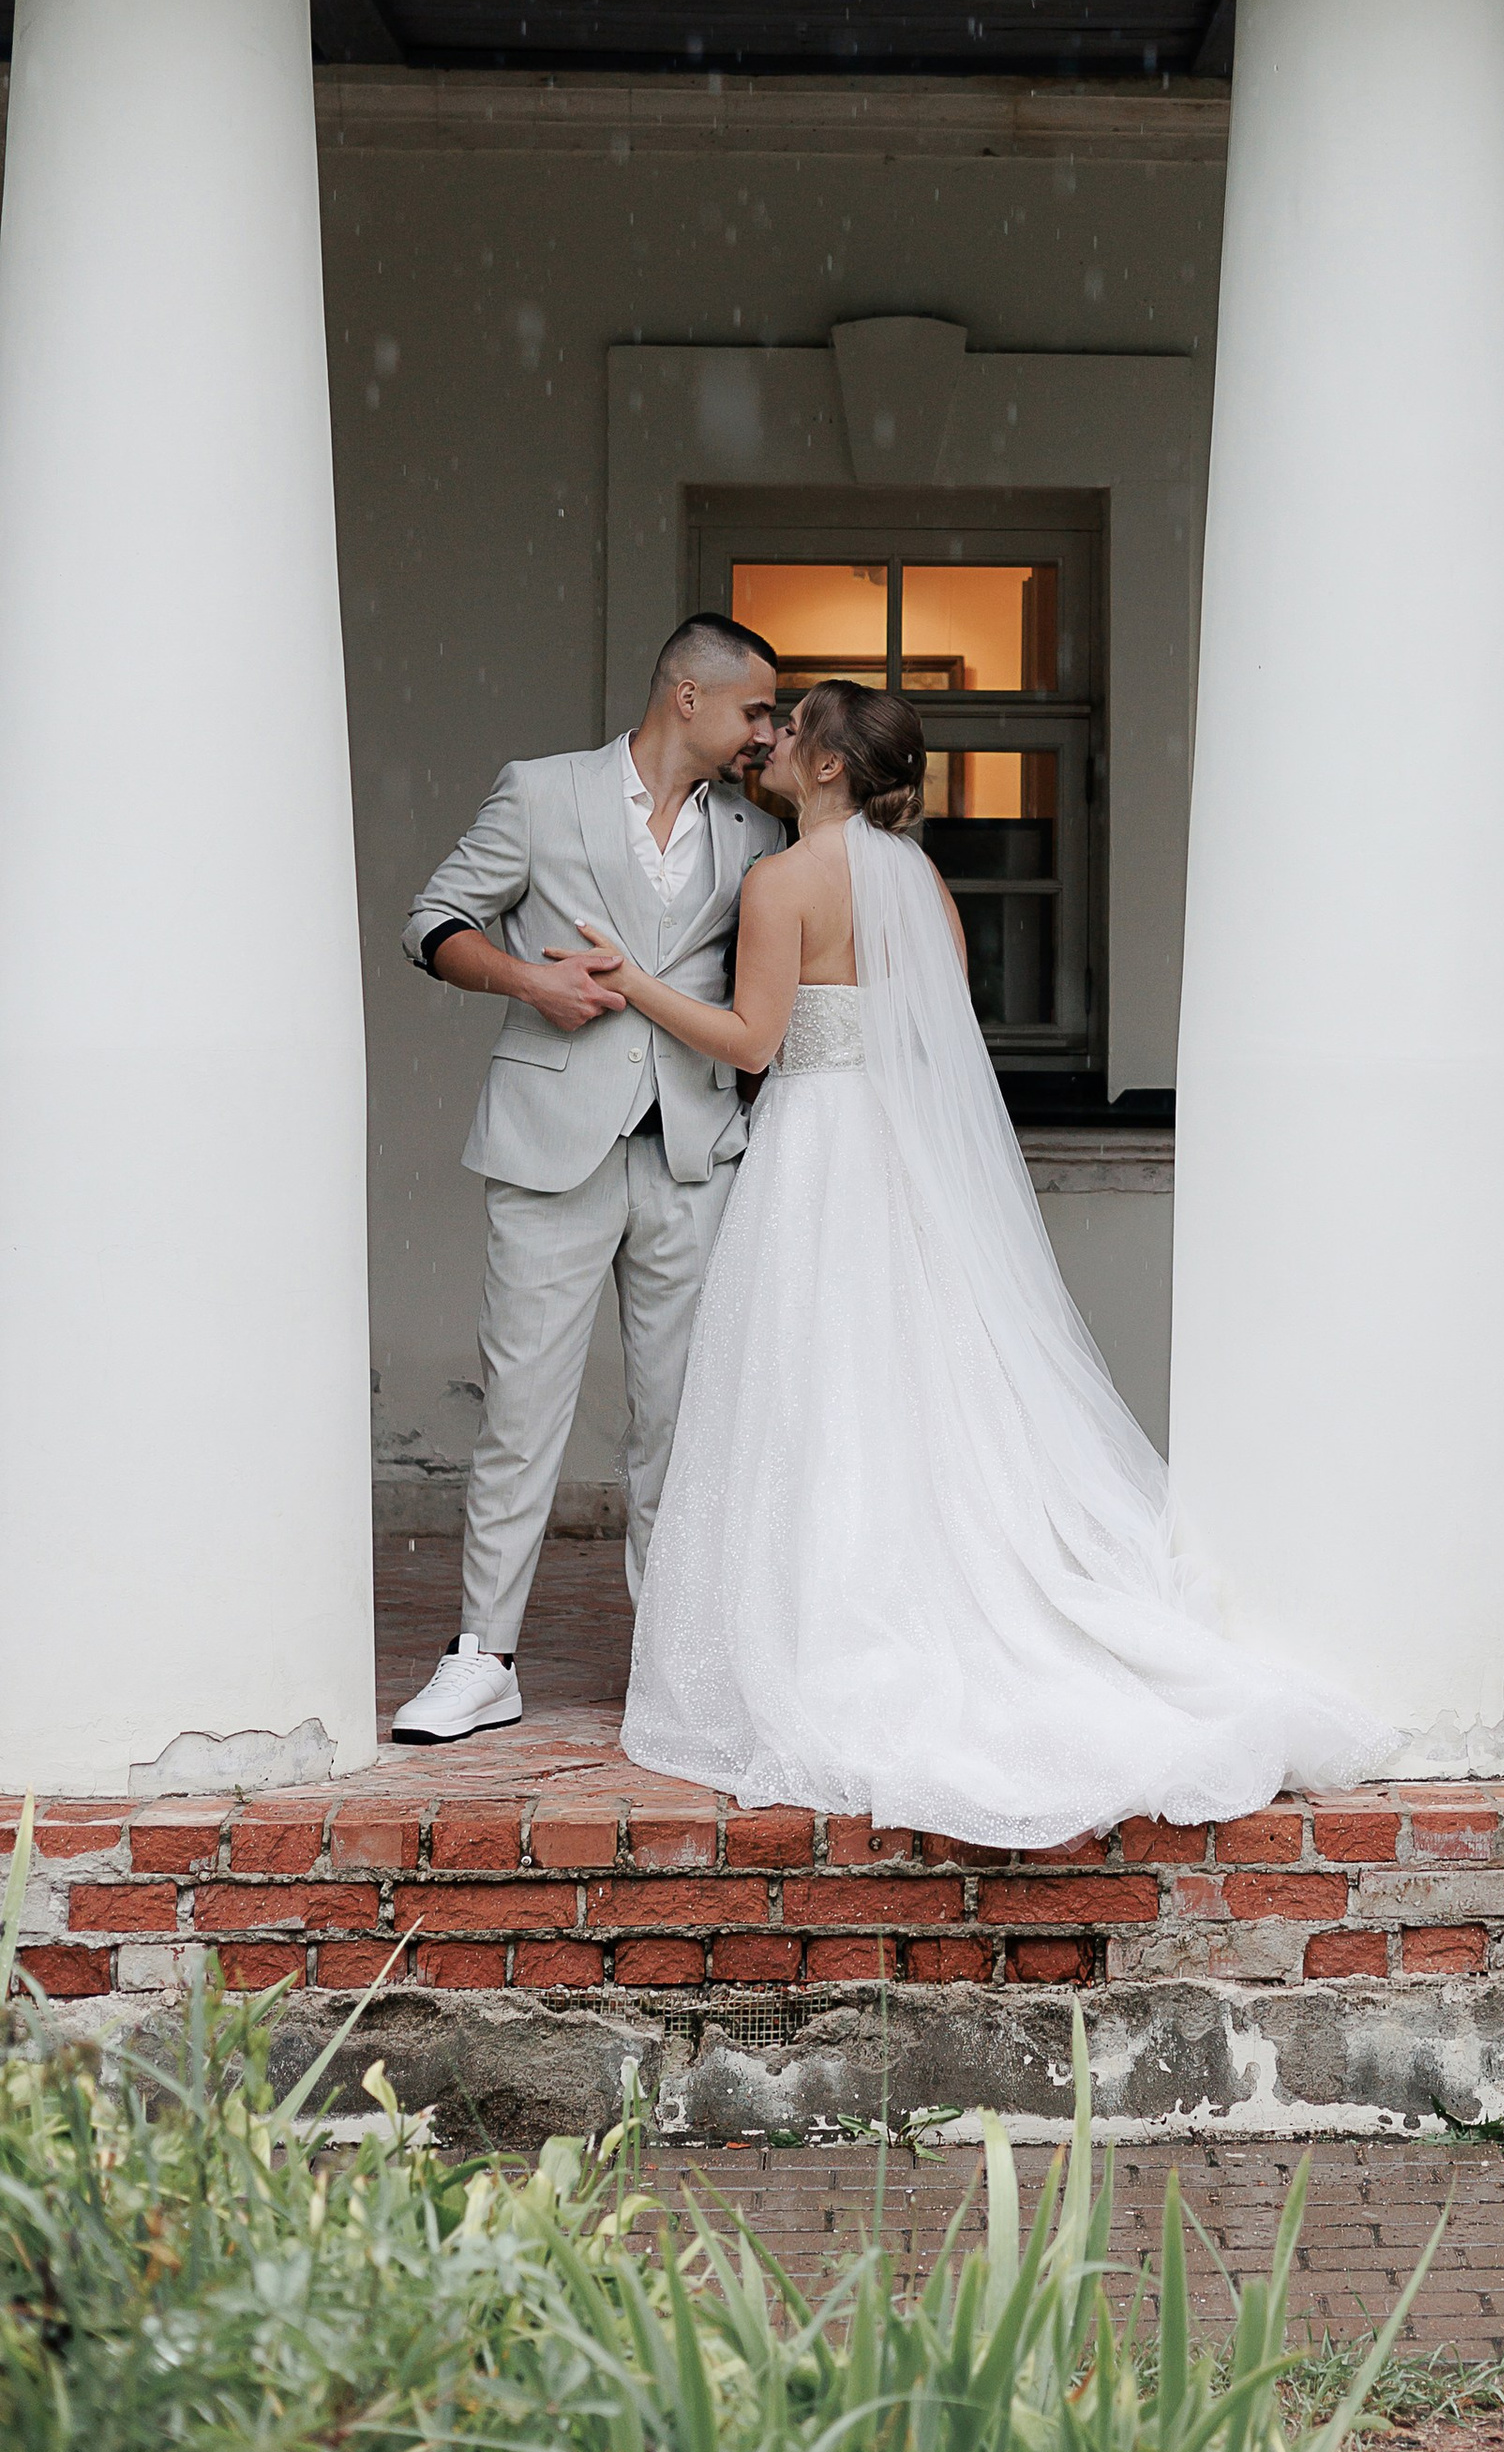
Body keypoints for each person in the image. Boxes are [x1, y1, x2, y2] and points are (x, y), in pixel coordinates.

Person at [598, 679, 1386, 1848]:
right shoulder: (915, 879)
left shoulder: (780, 881)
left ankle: (834, 1617)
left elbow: (756, 1042)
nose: (768, 740)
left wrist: (634, 981)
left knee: (817, 1388)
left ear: (825, 768)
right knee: (923, 1379)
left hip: (817, 1146)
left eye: (791, 726)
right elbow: (932, 1029)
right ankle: (948, 1585)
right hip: (905, 1157)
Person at [390, 616, 787, 1744]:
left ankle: (675, 1663)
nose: (768, 730)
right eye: (756, 708)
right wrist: (529, 982)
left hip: (693, 1151)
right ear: (689, 697)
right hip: (548, 1141)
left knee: (680, 1424)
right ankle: (483, 1660)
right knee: (522, 1412)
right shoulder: (540, 791)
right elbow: (431, 921)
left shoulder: (756, 832)